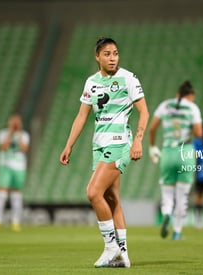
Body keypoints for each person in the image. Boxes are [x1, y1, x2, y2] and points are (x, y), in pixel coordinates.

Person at [59, 37, 149, 268]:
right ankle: (124, 256)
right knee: (111, 198)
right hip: (99, 145)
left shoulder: (128, 78)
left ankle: (111, 247)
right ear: (97, 57)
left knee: (92, 192)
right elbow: (82, 116)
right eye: (107, 54)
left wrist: (138, 141)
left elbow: (144, 112)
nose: (112, 58)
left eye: (116, 53)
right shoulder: (91, 82)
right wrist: (69, 145)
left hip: (119, 143)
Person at [149, 80, 203, 240]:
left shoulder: (165, 105)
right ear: (191, 95)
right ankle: (177, 232)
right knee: (182, 195)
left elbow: (152, 128)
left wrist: (152, 146)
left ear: (178, 94)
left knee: (167, 192)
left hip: (167, 152)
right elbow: (199, 133)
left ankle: (166, 213)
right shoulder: (192, 107)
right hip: (185, 151)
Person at [0, 114, 30, 232]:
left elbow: (24, 148)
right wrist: (11, 132)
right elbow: (3, 146)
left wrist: (19, 133)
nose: (15, 124)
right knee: (1, 192)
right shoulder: (3, 133)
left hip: (19, 167)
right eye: (13, 122)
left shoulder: (25, 135)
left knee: (16, 194)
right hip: (5, 166)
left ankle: (15, 222)